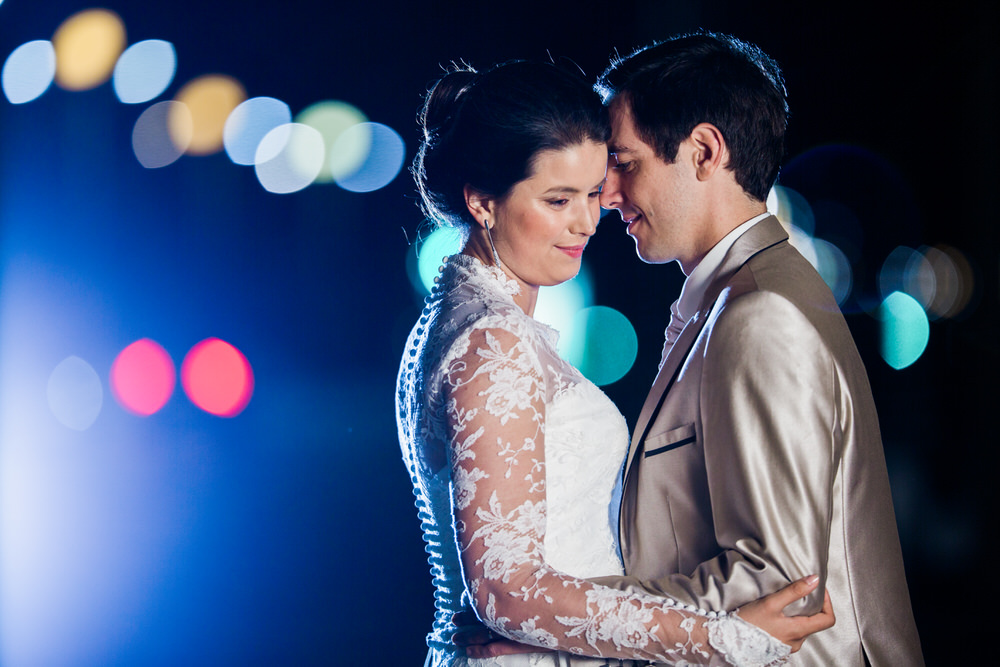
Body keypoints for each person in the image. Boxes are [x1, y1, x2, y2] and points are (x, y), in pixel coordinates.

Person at [396, 58, 834, 667]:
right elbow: (506, 591)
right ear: (482, 202)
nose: (585, 221)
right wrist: (721, 637)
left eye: (591, 192)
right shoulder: (490, 344)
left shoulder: (466, 325)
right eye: (557, 199)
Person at [581, 32, 922, 666]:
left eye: (624, 163)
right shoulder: (739, 296)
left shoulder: (759, 313)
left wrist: (567, 618)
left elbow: (782, 588)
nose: (605, 196)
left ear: (705, 151)